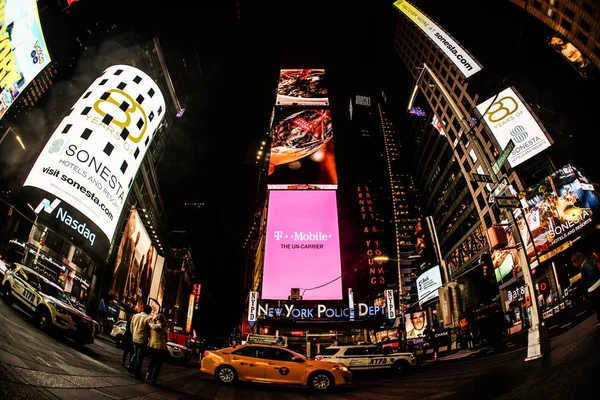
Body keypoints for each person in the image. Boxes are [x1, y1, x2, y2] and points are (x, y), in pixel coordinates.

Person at [111, 213, 137, 299]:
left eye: (134, 218)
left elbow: (131, 262)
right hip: (116, 269)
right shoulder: (122, 235)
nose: (132, 222)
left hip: (124, 274)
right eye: (131, 218)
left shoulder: (132, 243)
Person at [571, 250, 600, 327]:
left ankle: (599, 319)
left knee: (596, 305)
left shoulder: (582, 266)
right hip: (599, 281)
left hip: (592, 288)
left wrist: (585, 290)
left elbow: (584, 280)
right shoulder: (591, 258)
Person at [129, 305, 152, 378]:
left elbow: (131, 327)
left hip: (135, 337)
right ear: (149, 311)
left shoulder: (135, 315)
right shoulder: (148, 318)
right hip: (142, 339)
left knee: (135, 353)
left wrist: (133, 334)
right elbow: (151, 328)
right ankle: (136, 372)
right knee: (140, 357)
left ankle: (131, 367)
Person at [146, 313, 169, 384]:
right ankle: (154, 378)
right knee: (158, 364)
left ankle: (149, 374)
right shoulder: (165, 327)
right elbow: (166, 339)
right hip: (161, 347)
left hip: (152, 345)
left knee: (152, 362)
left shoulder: (152, 325)